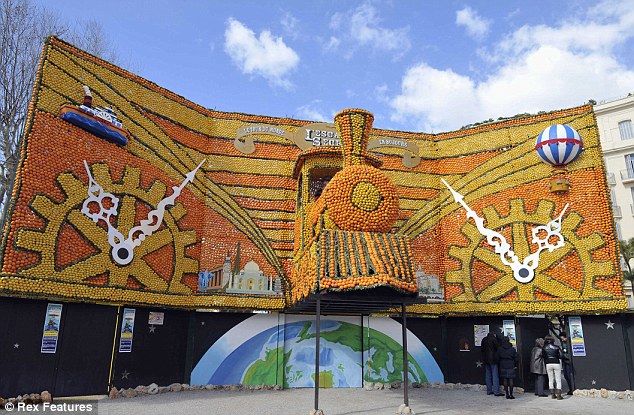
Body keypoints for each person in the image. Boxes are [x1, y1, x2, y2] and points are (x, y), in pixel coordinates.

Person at [480, 332, 503, 396]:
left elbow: (482, 349)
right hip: (493, 359)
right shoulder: (493, 339)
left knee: (488, 374)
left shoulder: (483, 339)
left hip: (485, 359)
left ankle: (489, 390)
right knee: (495, 375)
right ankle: (496, 391)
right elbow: (497, 347)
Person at [543, 335, 564, 400]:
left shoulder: (544, 347)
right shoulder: (556, 347)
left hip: (548, 364)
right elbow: (561, 355)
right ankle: (559, 395)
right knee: (558, 380)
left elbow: (543, 356)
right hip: (556, 363)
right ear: (553, 340)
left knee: (550, 379)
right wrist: (556, 356)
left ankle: (553, 395)